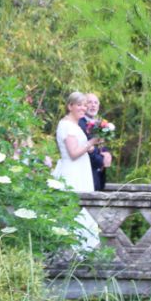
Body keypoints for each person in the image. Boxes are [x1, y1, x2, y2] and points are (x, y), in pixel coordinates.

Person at [52, 92, 102, 248]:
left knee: (83, 212)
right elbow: (73, 153)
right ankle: (73, 249)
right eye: (79, 105)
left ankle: (84, 249)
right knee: (74, 211)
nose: (83, 108)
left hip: (80, 172)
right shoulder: (67, 125)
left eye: (84, 105)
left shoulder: (75, 125)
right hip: (72, 173)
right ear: (70, 106)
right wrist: (91, 143)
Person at [80, 92, 113, 191]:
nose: (93, 105)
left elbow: (101, 145)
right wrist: (101, 160)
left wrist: (107, 154)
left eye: (96, 103)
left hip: (98, 173)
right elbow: (85, 146)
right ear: (84, 105)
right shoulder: (80, 123)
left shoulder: (100, 123)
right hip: (86, 171)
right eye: (89, 102)